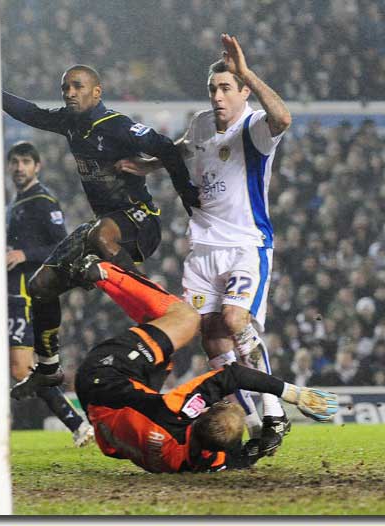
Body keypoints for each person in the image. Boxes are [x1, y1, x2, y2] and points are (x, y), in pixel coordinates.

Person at [118, 34, 293, 456]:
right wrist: (145, 166)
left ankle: (274, 412)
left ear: (243, 91)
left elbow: (284, 118)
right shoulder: (199, 122)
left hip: (245, 245)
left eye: (226, 88)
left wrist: (247, 69)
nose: (217, 96)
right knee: (212, 337)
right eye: (213, 88)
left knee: (235, 322)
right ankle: (250, 423)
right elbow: (182, 150)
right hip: (202, 249)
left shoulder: (253, 127)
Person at [3, 65, 199, 399]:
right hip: (103, 225)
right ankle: (49, 370)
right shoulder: (69, 123)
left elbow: (166, 146)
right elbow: (31, 112)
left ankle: (157, 311)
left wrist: (187, 196)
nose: (69, 93)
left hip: (140, 221)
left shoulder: (118, 126)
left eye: (77, 86)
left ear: (97, 91)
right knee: (40, 286)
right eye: (65, 87)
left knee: (100, 237)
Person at [72, 257, 337, 473]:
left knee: (186, 318)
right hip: (105, 418)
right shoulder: (200, 461)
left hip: (103, 375)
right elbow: (236, 459)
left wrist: (295, 394)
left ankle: (102, 269)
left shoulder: (177, 411)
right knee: (164, 353)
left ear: (200, 411)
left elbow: (232, 376)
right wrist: (258, 447)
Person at [5, 141, 94, 447]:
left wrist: (23, 253)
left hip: (23, 294)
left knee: (20, 368)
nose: (20, 167)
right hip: (5, 292)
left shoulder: (43, 201)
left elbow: (62, 244)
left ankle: (77, 424)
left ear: (37, 166)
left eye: (26, 162)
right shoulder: (15, 203)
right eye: (15, 162)